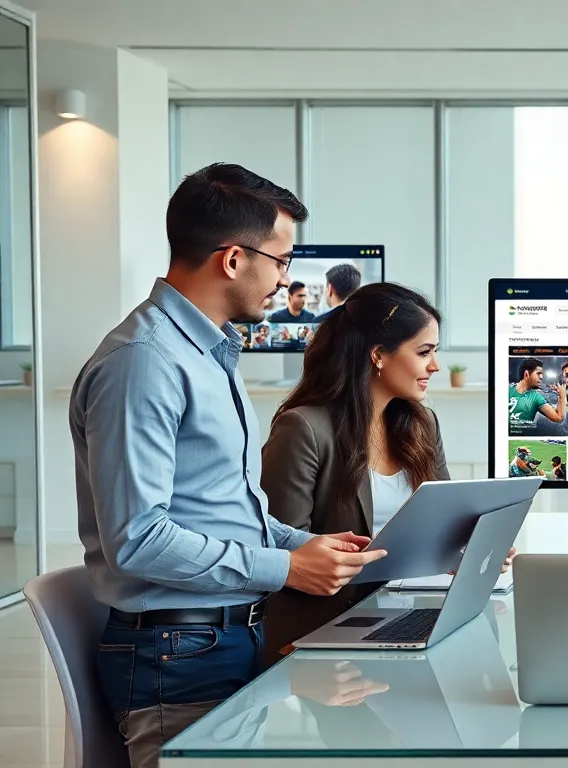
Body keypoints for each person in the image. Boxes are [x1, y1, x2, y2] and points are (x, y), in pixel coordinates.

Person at [70, 162, 386, 768]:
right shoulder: (145, 362)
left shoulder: (208, 352)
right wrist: (287, 568)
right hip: (177, 653)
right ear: (234, 259)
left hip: (219, 637)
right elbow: (137, 540)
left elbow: (227, 508)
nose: (287, 278)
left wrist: (310, 545)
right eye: (282, 260)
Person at [260, 283, 513, 666]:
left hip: (408, 618)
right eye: (424, 352)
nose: (435, 366)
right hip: (326, 635)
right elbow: (281, 553)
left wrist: (471, 549)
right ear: (378, 355)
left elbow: (446, 525)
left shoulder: (420, 424)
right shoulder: (305, 429)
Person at [508, 357, 566, 431]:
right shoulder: (506, 390)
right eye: (538, 373)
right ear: (526, 374)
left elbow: (558, 417)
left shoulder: (536, 397)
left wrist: (562, 395)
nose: (541, 377)